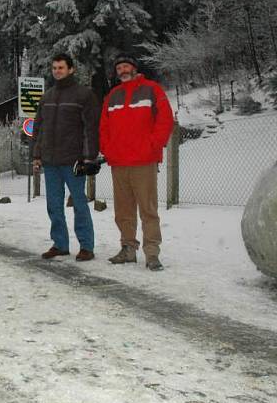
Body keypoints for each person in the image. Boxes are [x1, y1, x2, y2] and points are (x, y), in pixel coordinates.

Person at [100, 54, 174, 271]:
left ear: (134, 68)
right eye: (119, 68)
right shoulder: (112, 96)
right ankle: (128, 249)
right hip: (119, 162)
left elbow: (165, 119)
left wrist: (153, 145)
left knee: (148, 210)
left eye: (126, 66)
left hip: (144, 161)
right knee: (123, 211)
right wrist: (108, 149)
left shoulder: (152, 89)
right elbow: (103, 127)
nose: (122, 70)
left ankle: (152, 254)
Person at [32, 54, 100, 261]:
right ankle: (60, 244)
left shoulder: (84, 95)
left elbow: (90, 128)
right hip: (51, 162)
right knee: (53, 205)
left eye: (61, 67)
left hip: (74, 161)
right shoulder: (47, 97)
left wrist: (89, 157)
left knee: (79, 203)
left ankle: (86, 246)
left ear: (71, 70)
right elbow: (39, 129)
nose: (57, 71)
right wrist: (36, 154)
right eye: (54, 68)